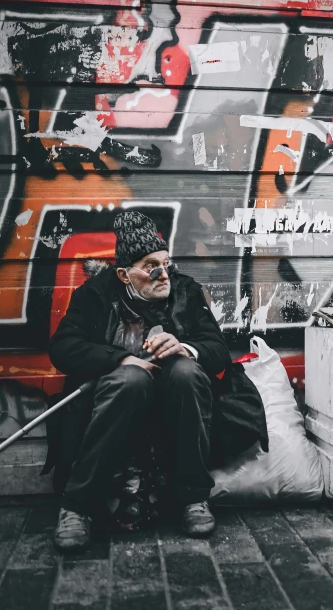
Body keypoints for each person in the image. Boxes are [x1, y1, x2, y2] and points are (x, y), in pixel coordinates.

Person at [46, 211, 268, 551]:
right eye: (151, 266)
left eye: (167, 263)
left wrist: (186, 348)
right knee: (130, 379)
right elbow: (63, 347)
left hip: (176, 406)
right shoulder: (95, 295)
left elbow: (217, 349)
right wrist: (119, 358)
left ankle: (192, 497)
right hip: (115, 404)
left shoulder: (185, 292)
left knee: (185, 370)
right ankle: (78, 506)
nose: (164, 274)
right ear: (123, 274)